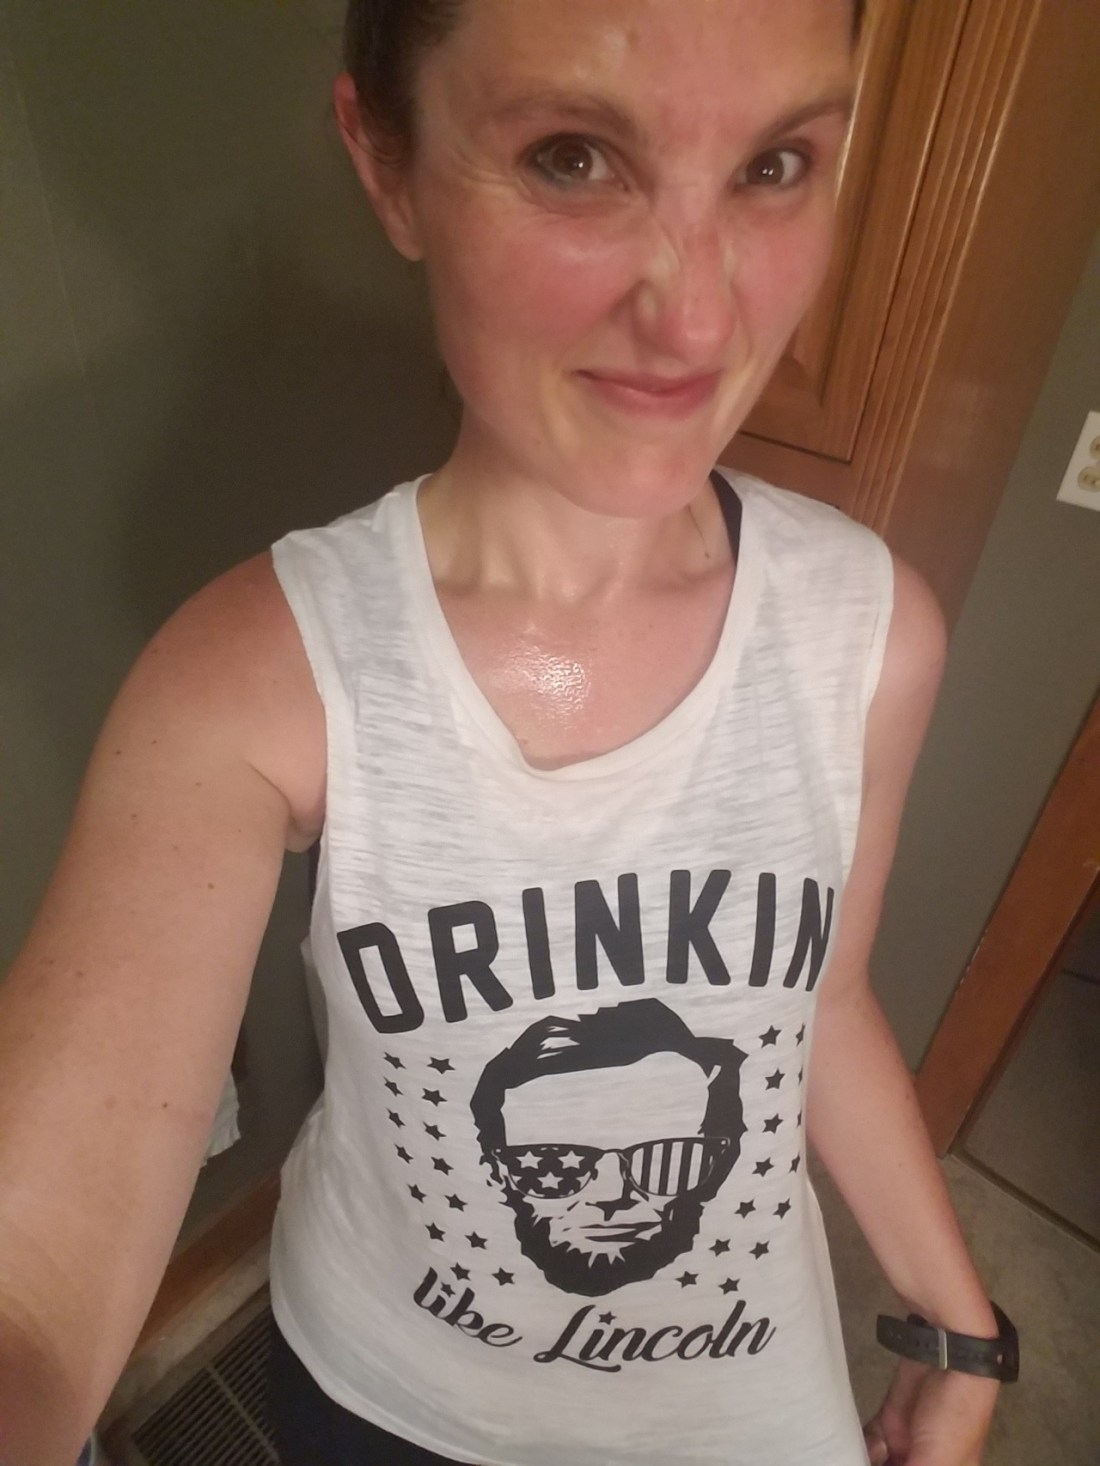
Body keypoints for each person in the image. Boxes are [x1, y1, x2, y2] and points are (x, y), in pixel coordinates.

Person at [0, 0, 1015, 1463]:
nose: (701, 318)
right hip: (386, 1400)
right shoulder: (259, 678)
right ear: (388, 164)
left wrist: (959, 1323)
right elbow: (31, 1292)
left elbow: (824, 1001)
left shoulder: (871, 632)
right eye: (573, 157)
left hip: (744, 1408)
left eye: (773, 165)